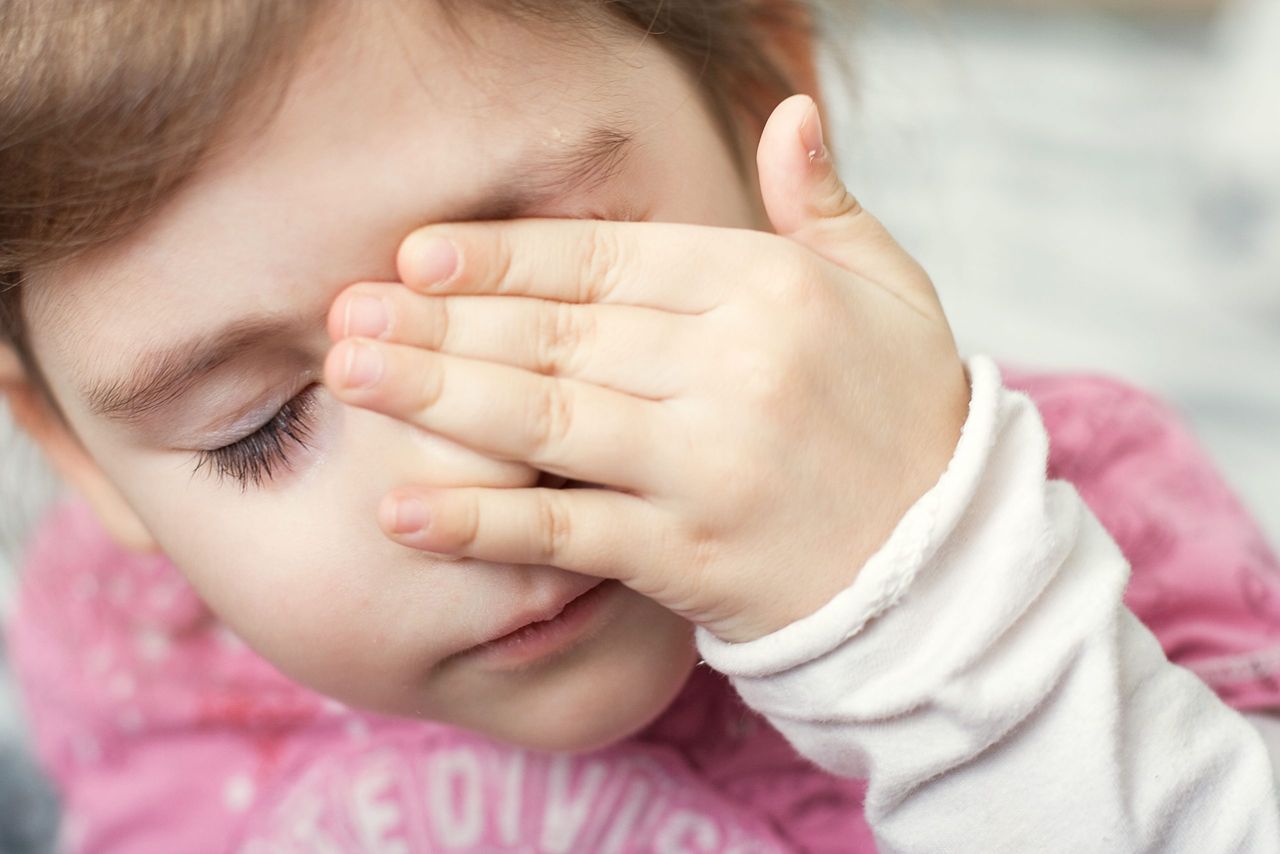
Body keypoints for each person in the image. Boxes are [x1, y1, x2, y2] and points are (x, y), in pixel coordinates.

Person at [1, 1, 1278, 850]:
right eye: (258, 429)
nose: (470, 475)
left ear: (761, 97)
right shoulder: (137, 640)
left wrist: (941, 623)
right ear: (81, 456)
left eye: (546, 287)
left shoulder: (1055, 536)